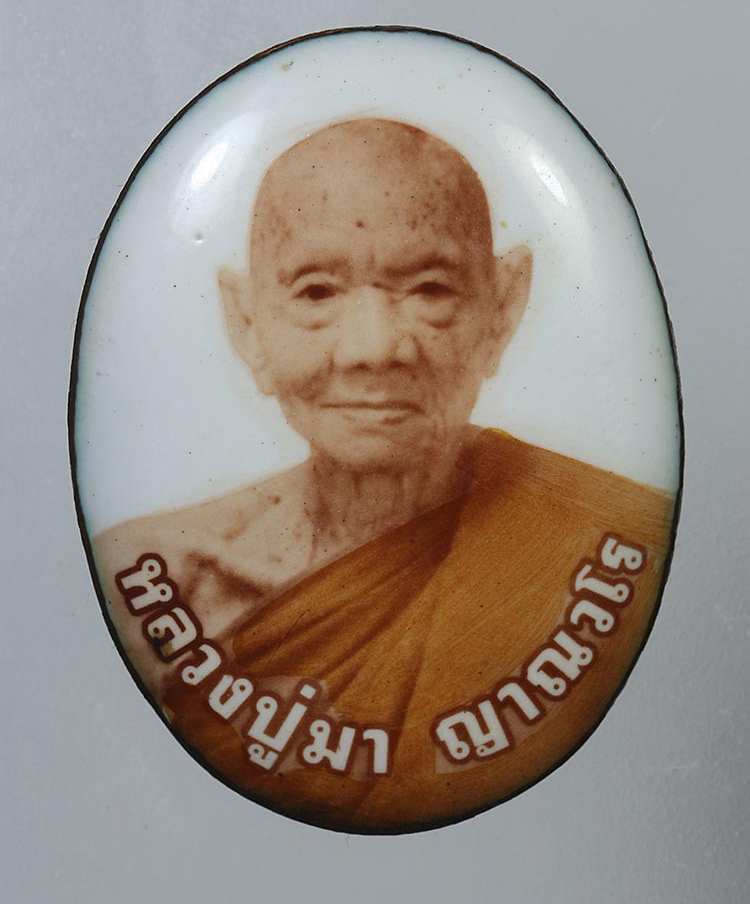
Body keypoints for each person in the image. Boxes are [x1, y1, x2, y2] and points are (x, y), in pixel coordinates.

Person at [93, 119, 675, 832]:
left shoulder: (616, 546)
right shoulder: (162, 577)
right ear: (247, 323)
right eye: (317, 293)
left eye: (429, 290)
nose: (373, 349)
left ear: (501, 310)